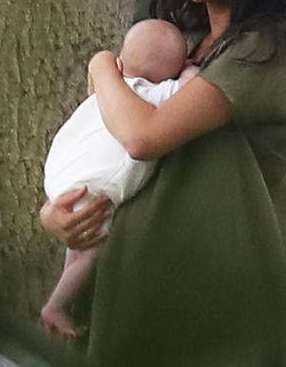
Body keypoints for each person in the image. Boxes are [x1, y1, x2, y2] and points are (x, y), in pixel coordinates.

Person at [39, 0, 286, 365]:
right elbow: (105, 144)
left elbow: (142, 138)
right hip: (128, 303)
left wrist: (101, 65)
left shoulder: (268, 48)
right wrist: (59, 214)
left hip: (215, 321)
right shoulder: (180, 48)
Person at [40, 18, 198, 338]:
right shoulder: (158, 93)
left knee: (78, 244)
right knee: (89, 249)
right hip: (98, 183)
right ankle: (56, 305)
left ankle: (59, 299)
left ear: (121, 63)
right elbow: (193, 86)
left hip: (62, 174)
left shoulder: (111, 89)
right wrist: (187, 70)